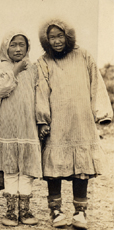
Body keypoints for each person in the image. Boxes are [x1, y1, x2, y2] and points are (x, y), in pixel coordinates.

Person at [36, 18, 113, 229]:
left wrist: (101, 113)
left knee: (82, 168)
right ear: (46, 40)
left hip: (81, 121)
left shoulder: (84, 55)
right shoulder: (44, 62)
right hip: (57, 122)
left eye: (60, 36)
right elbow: (41, 92)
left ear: (68, 36)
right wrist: (42, 120)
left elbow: (96, 84)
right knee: (54, 167)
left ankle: (80, 212)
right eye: (52, 37)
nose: (57, 41)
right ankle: (56, 211)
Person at [0, 31, 42, 226]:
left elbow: (39, 95)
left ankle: (26, 210)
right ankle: (11, 211)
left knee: (27, 169)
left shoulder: (34, 69)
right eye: (13, 45)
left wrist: (41, 121)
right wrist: (15, 70)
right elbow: (0, 90)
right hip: (7, 125)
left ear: (28, 47)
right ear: (6, 47)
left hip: (28, 125)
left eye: (22, 45)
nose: (18, 49)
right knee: (11, 167)